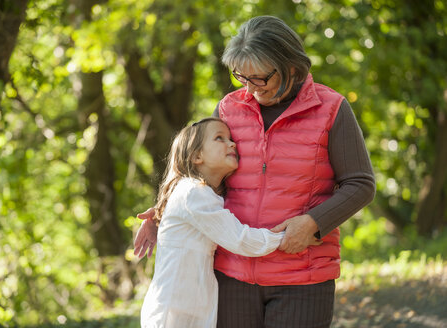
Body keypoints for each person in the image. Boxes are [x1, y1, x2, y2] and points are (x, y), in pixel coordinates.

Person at [135, 16, 375, 328]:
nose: (250, 88)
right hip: (231, 276)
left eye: (259, 78)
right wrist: (166, 212)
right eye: (242, 78)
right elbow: (200, 170)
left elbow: (360, 184)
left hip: (302, 277)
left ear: (291, 67)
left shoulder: (331, 109)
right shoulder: (228, 109)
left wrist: (314, 224)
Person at [140, 117, 316, 328]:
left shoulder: (197, 194)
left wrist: (158, 217)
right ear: (197, 156)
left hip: (191, 307)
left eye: (230, 138)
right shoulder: (194, 192)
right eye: (219, 138)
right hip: (174, 313)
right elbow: (239, 239)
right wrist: (287, 236)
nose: (232, 143)